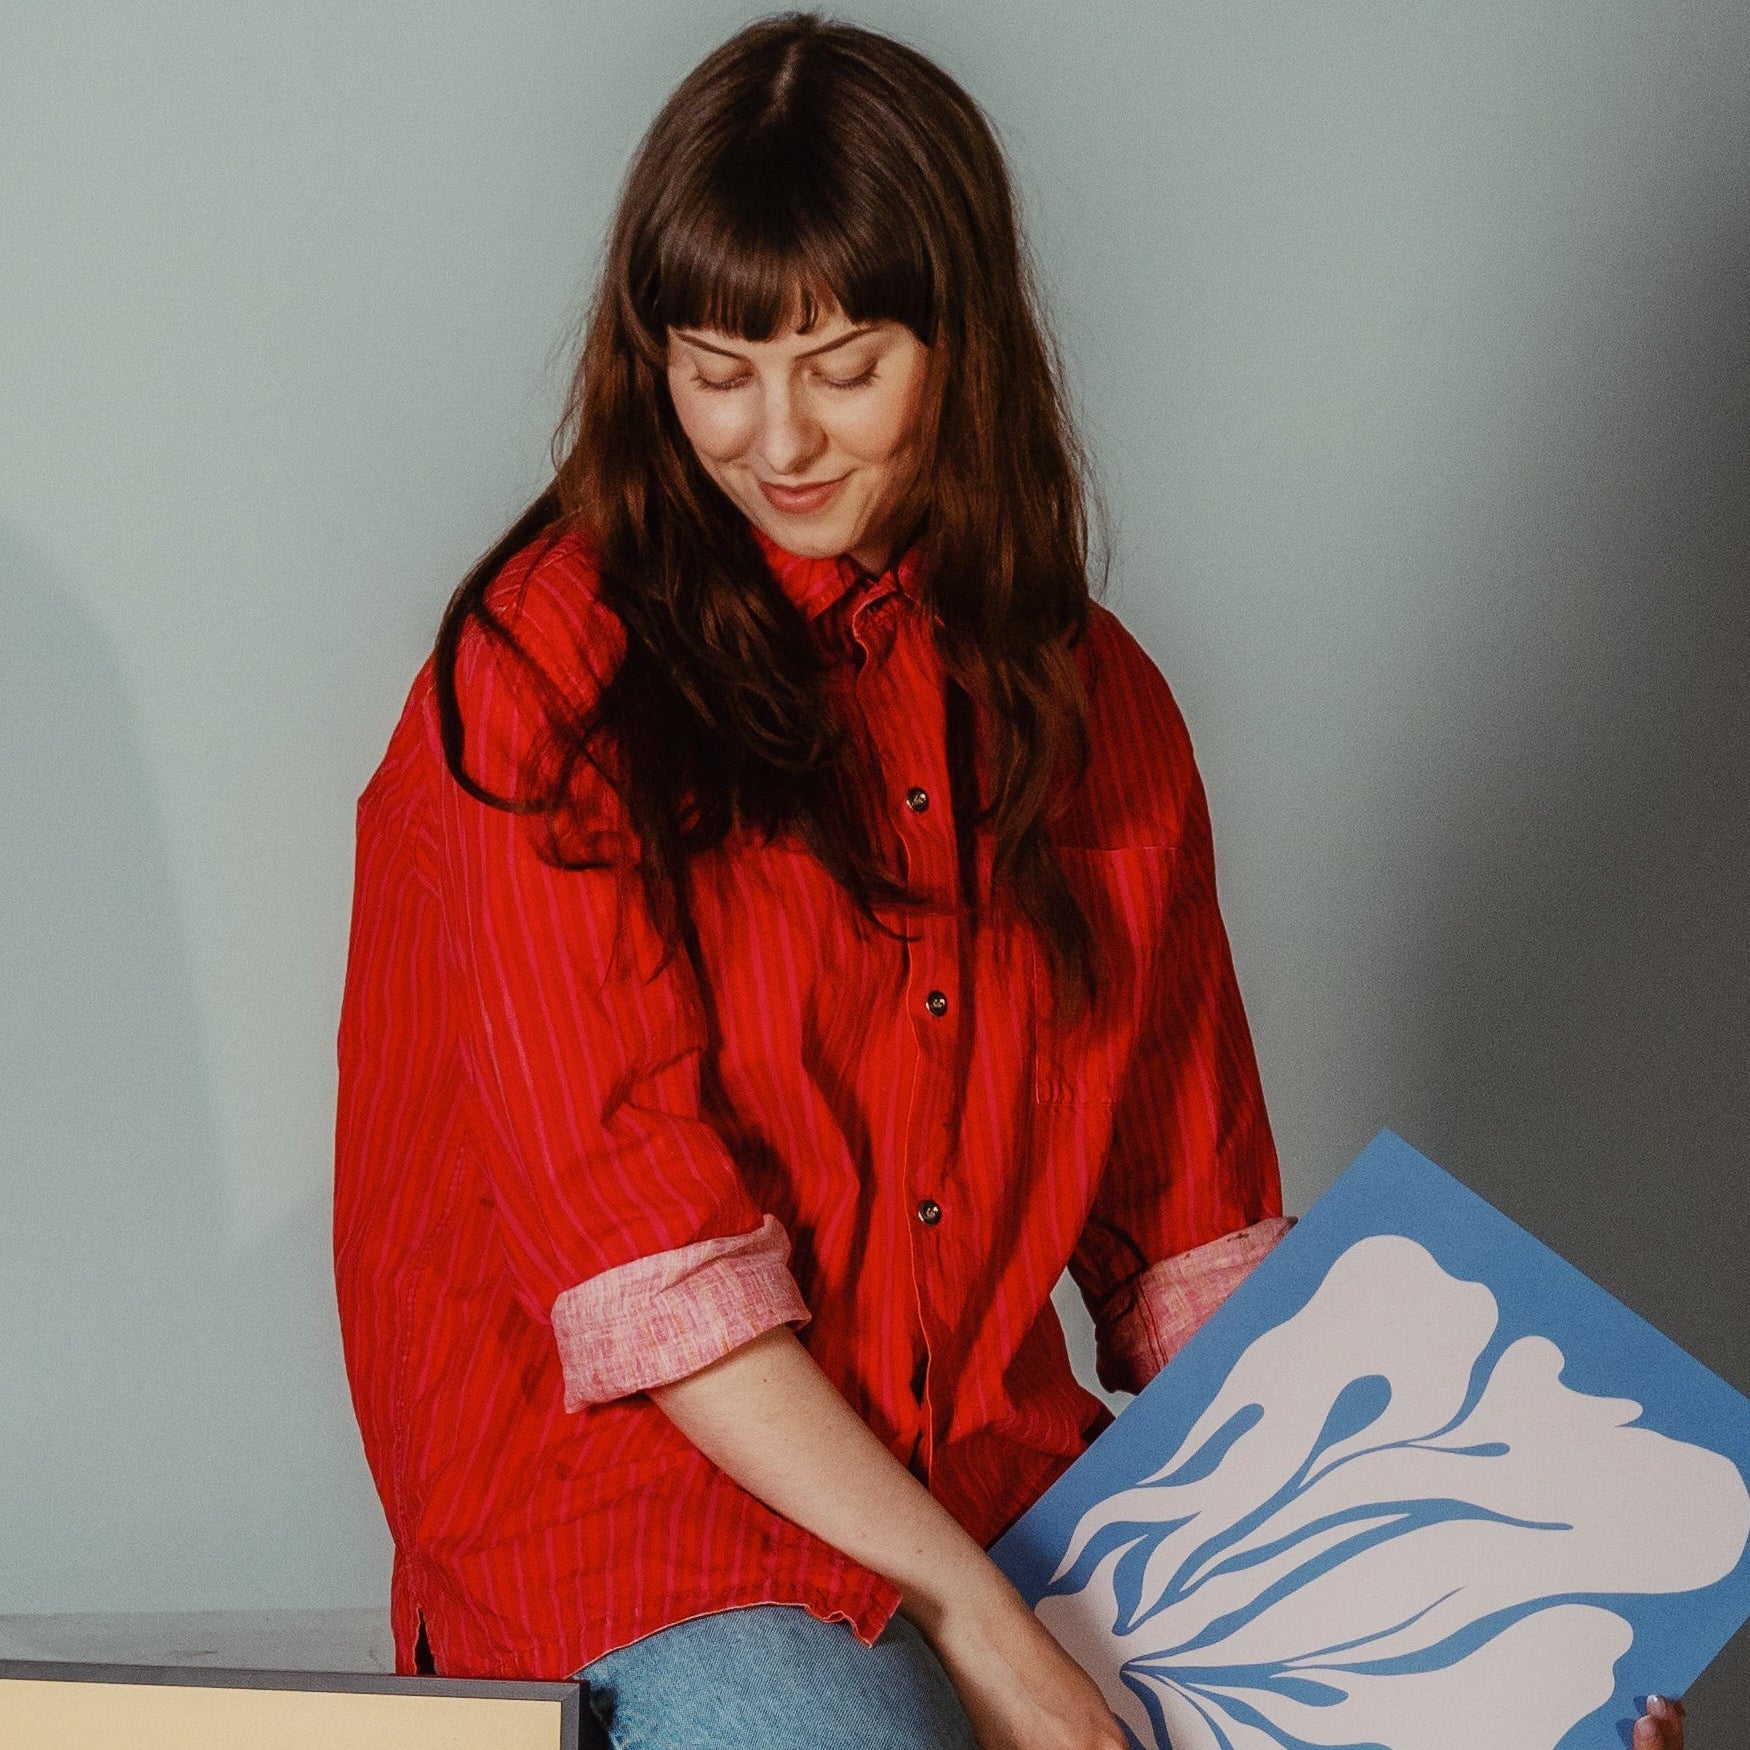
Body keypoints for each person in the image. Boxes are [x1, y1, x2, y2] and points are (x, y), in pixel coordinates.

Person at [333, 14, 1688, 1750]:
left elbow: (1192, 1261)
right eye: (715, 367)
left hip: (990, 1485)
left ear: (957, 344)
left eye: (842, 365)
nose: (774, 436)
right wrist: (975, 1619)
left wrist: (1483, 1675)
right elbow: (647, 1277)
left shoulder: (1093, 703)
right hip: (633, 1518)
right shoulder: (544, 676)